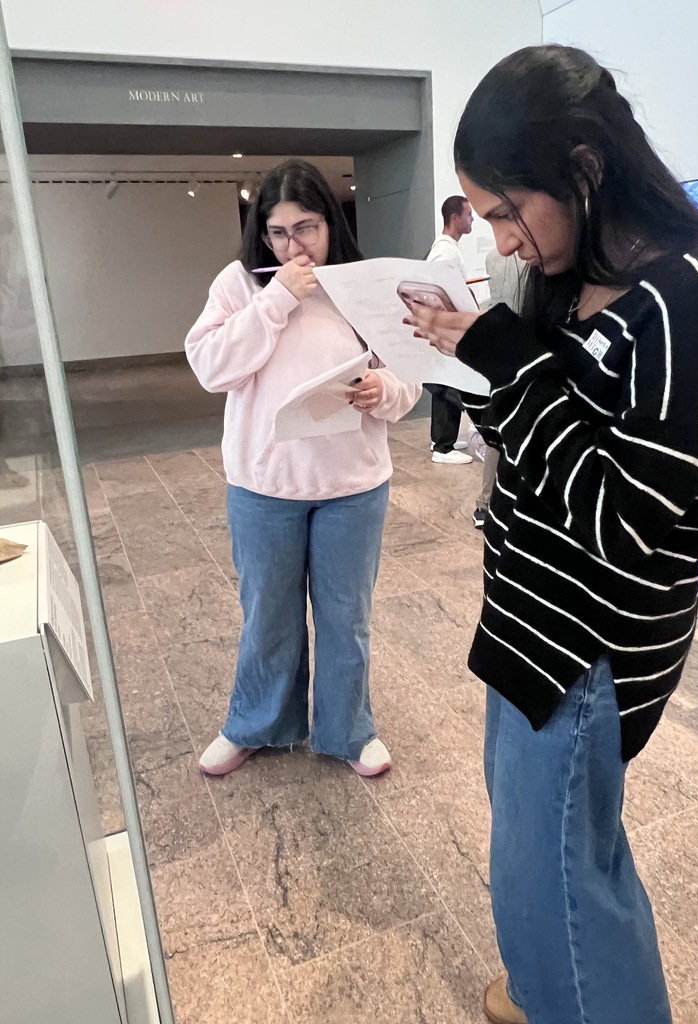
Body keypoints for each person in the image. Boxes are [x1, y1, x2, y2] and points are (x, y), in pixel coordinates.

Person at [404, 45, 698, 1024]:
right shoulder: (578, 274)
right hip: (527, 618)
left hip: (589, 644)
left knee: (566, 890)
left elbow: (626, 523)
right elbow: (540, 434)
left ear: (585, 165)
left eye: (507, 212)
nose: (507, 243)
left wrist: (498, 355)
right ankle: (540, 990)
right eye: (485, 220)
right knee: (549, 861)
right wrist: (471, 353)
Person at [186, 159, 420, 779]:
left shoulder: (361, 286)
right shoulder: (240, 284)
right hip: (264, 483)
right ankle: (255, 723)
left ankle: (348, 729)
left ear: (331, 224)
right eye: (279, 232)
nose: (294, 245)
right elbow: (212, 368)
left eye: (307, 228)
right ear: (263, 235)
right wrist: (276, 299)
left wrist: (383, 391)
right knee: (269, 613)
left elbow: (408, 376)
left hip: (353, 484)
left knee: (347, 615)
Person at [472, 250, 527, 528]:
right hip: (519, 351)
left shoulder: (494, 258)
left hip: (502, 352)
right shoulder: (525, 261)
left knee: (499, 432)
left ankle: (485, 503)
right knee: (503, 434)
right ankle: (488, 503)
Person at [425, 196, 474, 465]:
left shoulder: (446, 248)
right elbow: (437, 289)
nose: (472, 220)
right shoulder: (446, 251)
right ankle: (443, 447)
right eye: (468, 215)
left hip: (445, 326)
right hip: (446, 327)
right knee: (448, 383)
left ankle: (442, 439)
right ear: (455, 217)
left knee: (446, 381)